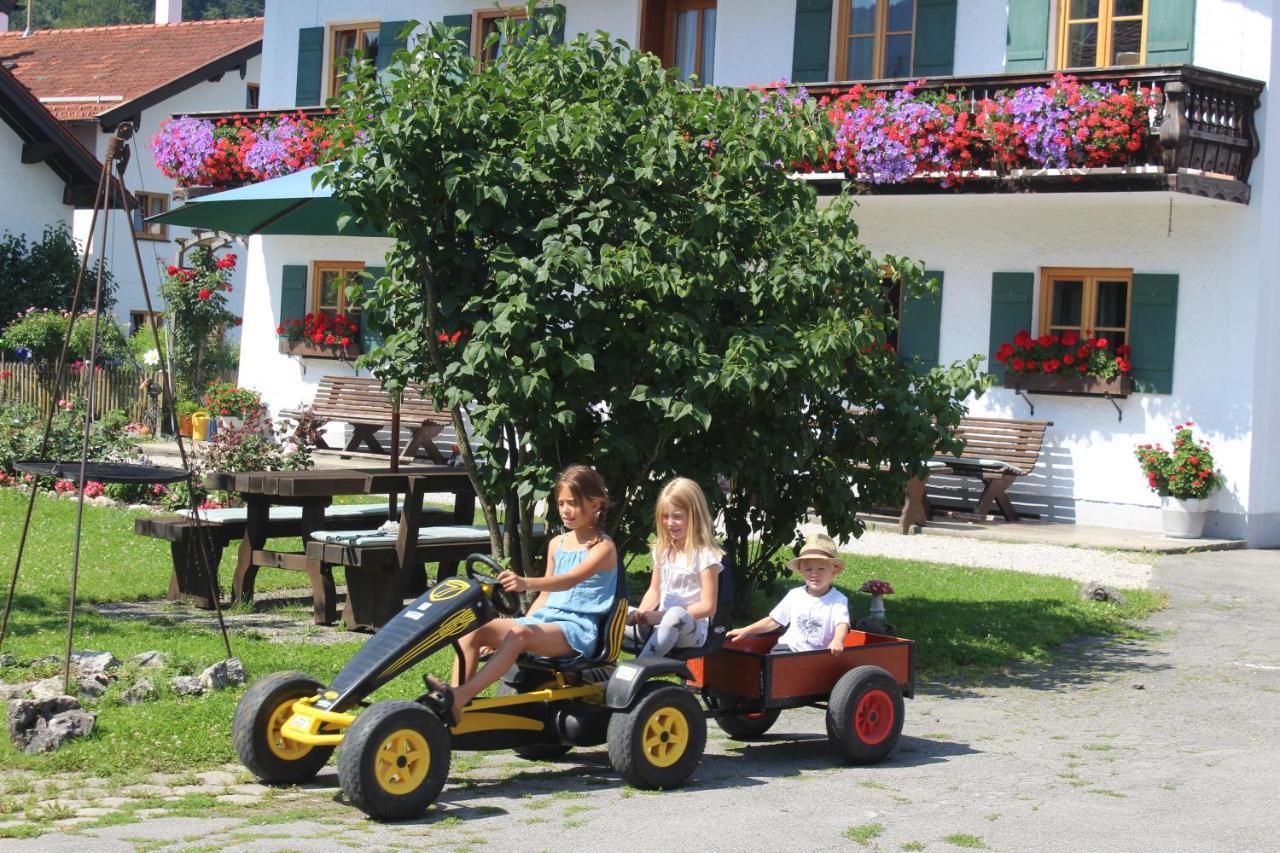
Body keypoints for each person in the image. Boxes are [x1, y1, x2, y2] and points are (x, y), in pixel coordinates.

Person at [427, 464, 618, 723]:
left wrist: (526, 583)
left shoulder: (603, 548)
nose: (565, 510)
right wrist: (524, 620)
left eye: (573, 503)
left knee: (519, 634)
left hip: (577, 630)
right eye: (561, 503)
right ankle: (452, 704)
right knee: (474, 629)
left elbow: (568, 581)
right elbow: (544, 598)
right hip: (546, 622)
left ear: (596, 505)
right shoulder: (556, 544)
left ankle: (460, 696)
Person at [627, 477, 724, 658]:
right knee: (617, 612)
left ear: (694, 516)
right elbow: (654, 591)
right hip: (660, 624)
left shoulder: (705, 555)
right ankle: (596, 672)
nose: (670, 523)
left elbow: (708, 607)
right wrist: (641, 613)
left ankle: (639, 669)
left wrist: (662, 616)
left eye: (677, 516)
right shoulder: (663, 550)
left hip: (691, 631)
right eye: (665, 516)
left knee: (675, 615)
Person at [726, 531, 850, 654]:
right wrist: (747, 630)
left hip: (817, 655)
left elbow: (841, 623)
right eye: (808, 569)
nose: (814, 574)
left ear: (833, 571)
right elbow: (774, 620)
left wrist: (837, 640)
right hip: (788, 649)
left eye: (821, 569)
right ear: (800, 571)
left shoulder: (837, 599)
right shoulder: (795, 595)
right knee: (776, 667)